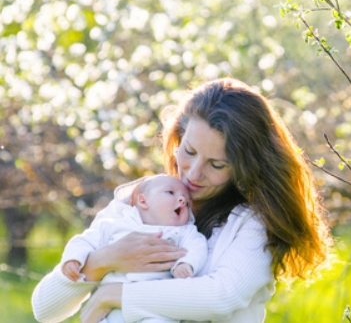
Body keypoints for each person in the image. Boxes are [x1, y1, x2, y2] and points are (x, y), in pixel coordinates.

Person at [32, 77, 332, 323]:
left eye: (216, 165)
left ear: (244, 166)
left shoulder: (251, 223)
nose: (194, 173)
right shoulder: (139, 202)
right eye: (188, 151)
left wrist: (112, 295)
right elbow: (45, 309)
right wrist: (103, 260)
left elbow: (222, 296)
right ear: (177, 137)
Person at [60, 174, 208, 323]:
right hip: (112, 308)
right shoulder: (116, 223)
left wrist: (186, 263)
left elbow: (198, 246)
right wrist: (73, 258)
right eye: (170, 192)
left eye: (188, 203)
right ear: (143, 201)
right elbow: (85, 240)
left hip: (154, 308)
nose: (182, 200)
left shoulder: (184, 231)